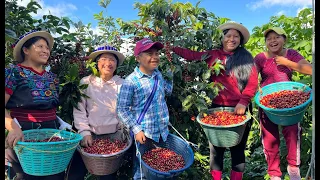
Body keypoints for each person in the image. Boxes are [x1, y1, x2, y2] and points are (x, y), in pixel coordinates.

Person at [171, 21, 258, 180]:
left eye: (236, 36)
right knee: (216, 150)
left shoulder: (245, 57)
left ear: (240, 40)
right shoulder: (213, 55)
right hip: (216, 108)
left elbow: (252, 83)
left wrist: (244, 101)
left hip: (240, 109)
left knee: (238, 150)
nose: (232, 39)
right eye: (228, 35)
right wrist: (170, 48)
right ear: (222, 38)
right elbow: (192, 55)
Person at [5, 30, 65, 180]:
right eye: (40, 47)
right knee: (26, 175)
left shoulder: (52, 78)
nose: (45, 51)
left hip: (51, 132)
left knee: (54, 174)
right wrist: (13, 128)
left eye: (47, 48)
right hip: (23, 131)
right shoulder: (14, 72)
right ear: (26, 50)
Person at [254, 27, 312, 180]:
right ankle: (274, 174)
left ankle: (293, 168)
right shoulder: (260, 57)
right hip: (267, 102)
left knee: (293, 132)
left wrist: (288, 63)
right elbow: (251, 76)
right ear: (266, 42)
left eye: (276, 37)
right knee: (270, 138)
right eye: (269, 38)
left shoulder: (291, 54)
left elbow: (310, 70)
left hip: (289, 99)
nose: (273, 41)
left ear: (284, 39)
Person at [116, 38, 173, 180]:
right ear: (138, 58)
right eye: (149, 53)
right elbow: (121, 109)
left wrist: (171, 75)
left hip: (162, 132)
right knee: (142, 171)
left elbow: (167, 91)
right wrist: (136, 130)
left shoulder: (158, 75)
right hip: (145, 135)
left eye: (156, 53)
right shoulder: (131, 81)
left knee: (160, 167)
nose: (154, 57)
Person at [67, 44, 126, 180]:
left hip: (113, 137)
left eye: (112, 60)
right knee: (75, 174)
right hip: (89, 136)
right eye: (104, 59)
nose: (108, 63)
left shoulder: (122, 84)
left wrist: (122, 132)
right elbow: (79, 109)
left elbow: (126, 110)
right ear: (97, 63)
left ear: (117, 65)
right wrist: (84, 132)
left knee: (107, 176)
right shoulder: (86, 82)